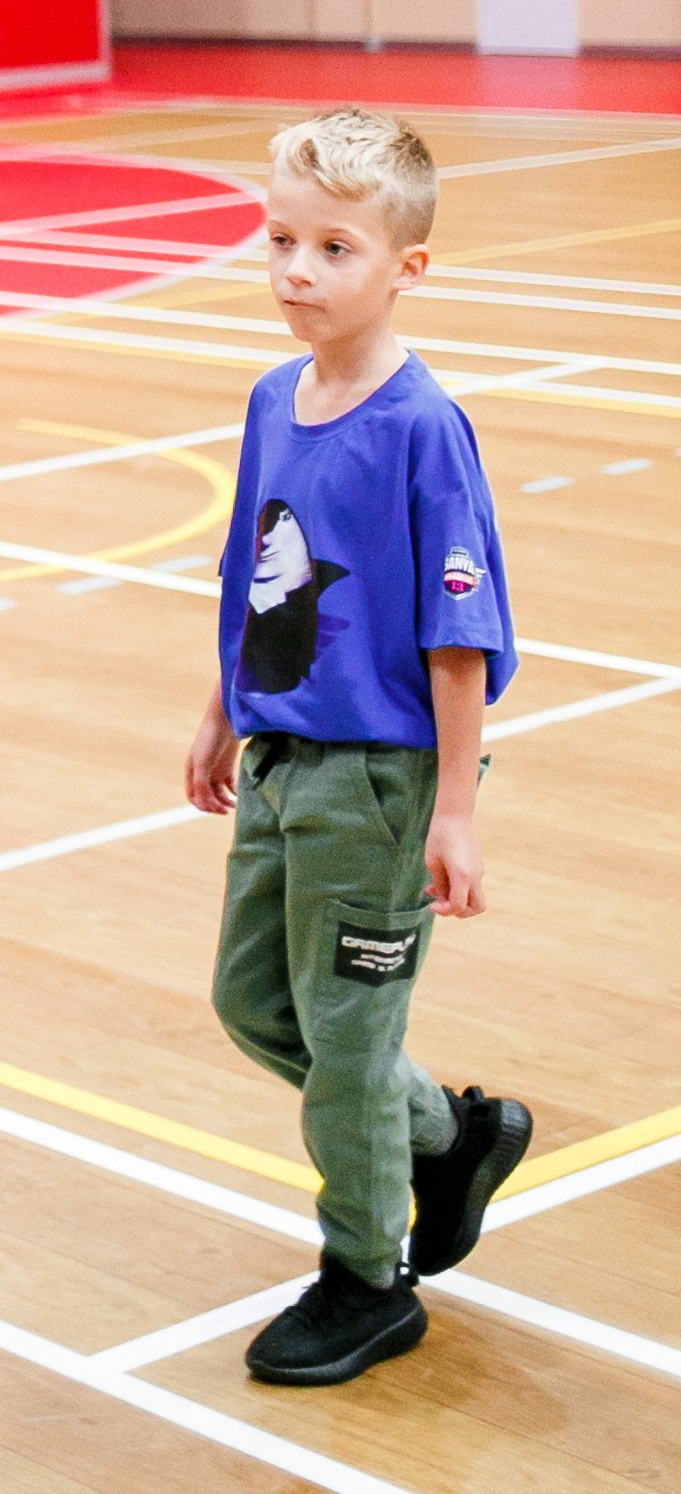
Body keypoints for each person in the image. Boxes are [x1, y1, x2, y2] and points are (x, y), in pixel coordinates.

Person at [185, 108, 531, 1387]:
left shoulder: (422, 428)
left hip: (378, 784)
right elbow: (255, 572)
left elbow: (458, 634)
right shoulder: (271, 400)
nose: (295, 271)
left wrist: (454, 809)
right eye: (281, 240)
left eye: (334, 248)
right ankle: (444, 1137)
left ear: (405, 268)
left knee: (345, 1045)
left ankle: (367, 1279)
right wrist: (223, 709)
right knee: (254, 1005)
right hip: (282, 759)